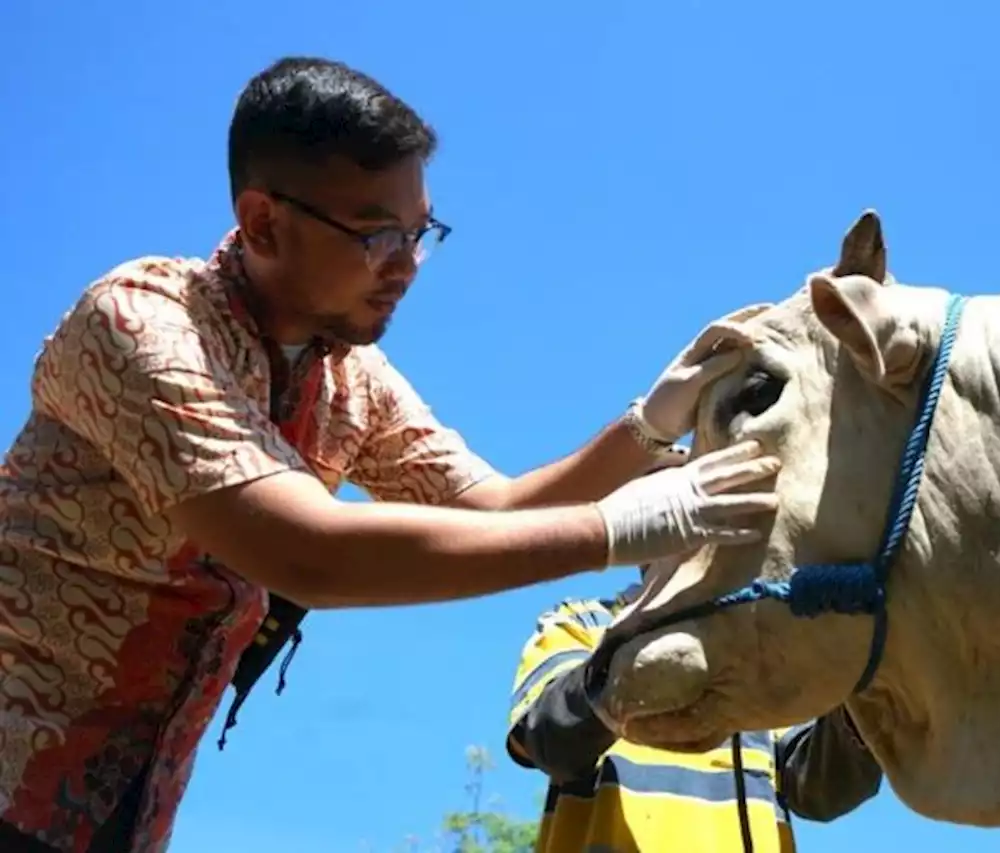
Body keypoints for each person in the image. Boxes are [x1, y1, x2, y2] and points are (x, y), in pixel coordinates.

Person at [0, 57, 780, 853]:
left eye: (419, 234)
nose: (406, 265)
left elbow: (496, 511)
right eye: (376, 235)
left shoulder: (350, 380)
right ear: (263, 220)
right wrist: (624, 525)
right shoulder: (141, 324)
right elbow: (309, 556)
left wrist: (649, 423)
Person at [506, 555, 884, 853]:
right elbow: (546, 740)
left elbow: (820, 791)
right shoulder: (583, 622)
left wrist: (863, 680)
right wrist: (626, 669)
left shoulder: (759, 655)